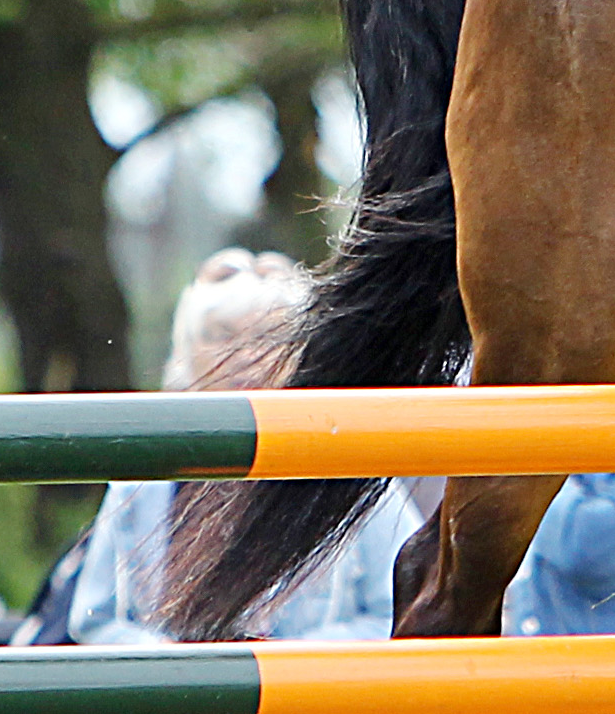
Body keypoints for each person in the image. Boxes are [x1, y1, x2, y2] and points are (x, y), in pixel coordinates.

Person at [67, 250, 424, 645]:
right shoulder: (145, 476)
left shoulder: (350, 468)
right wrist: (176, 665)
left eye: (267, 336)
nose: (245, 355)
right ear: (184, 349)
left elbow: (401, 610)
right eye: (221, 335)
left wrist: (283, 664)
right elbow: (94, 619)